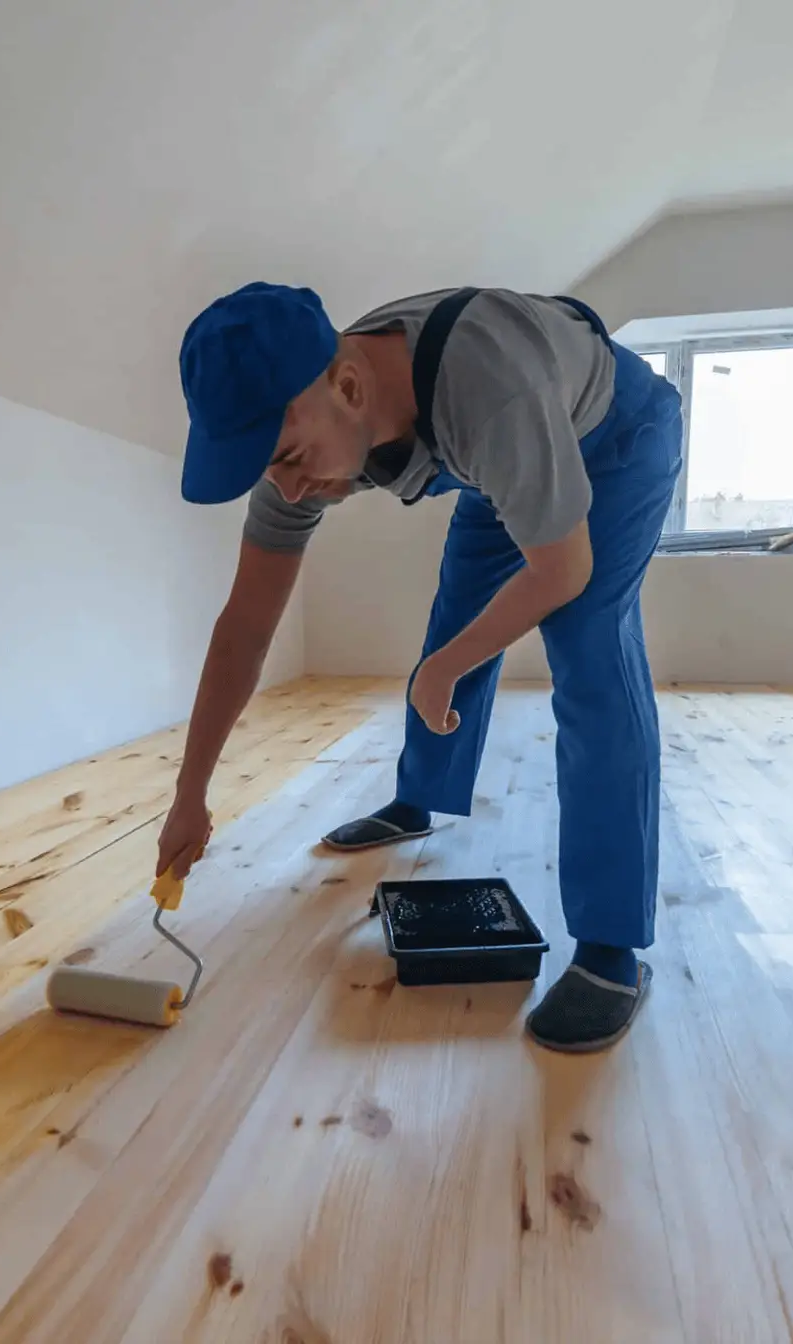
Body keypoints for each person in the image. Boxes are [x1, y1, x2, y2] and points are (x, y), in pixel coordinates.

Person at [155, 282, 682, 1052]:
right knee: (458, 611)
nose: (290, 490)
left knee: (590, 643)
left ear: (348, 385)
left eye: (292, 459)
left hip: (616, 437)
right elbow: (243, 629)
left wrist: (444, 670)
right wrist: (189, 796)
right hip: (498, 459)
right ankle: (420, 796)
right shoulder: (307, 439)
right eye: (268, 470)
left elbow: (560, 571)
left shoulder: (487, 384)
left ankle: (611, 949)